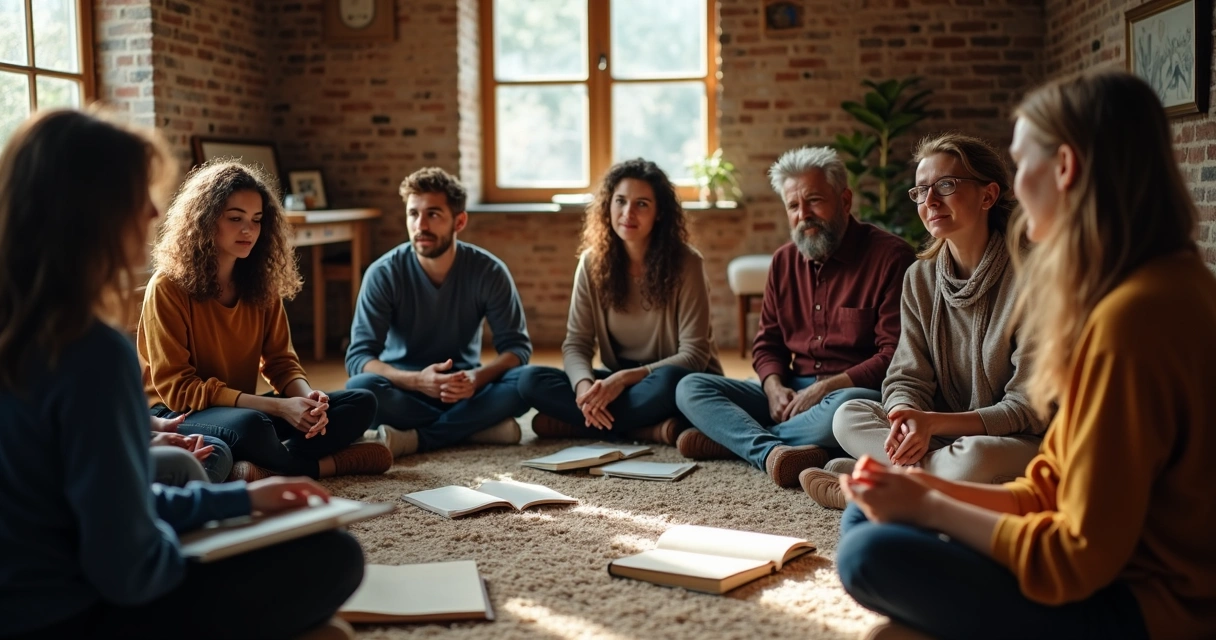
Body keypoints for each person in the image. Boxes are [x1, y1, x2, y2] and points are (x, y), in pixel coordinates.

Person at [834, 70, 1216, 640]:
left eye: (1020, 162)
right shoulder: (1155, 283)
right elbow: (1049, 486)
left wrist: (931, 508)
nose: (1014, 184)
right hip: (1096, 556)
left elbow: (1075, 556)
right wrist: (925, 489)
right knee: (866, 514)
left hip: (1150, 606)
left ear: (1064, 168)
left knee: (867, 555)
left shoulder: (1131, 319)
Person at [0, 108, 363, 640]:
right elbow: (129, 568)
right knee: (335, 556)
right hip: (67, 615)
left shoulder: (30, 329)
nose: (151, 208)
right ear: (87, 211)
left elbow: (101, 504)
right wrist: (212, 549)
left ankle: (273, 469)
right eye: (136, 193)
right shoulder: (91, 351)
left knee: (355, 401)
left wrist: (240, 500)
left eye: (255, 219)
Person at [802, 133, 1046, 510]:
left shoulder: (1032, 278)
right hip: (936, 438)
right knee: (847, 415)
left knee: (975, 459)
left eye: (946, 185)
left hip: (1013, 439)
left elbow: (1029, 408)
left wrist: (933, 423)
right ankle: (913, 482)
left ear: (988, 195)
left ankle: (877, 481)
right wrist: (904, 417)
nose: (930, 201)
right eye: (920, 191)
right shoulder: (920, 277)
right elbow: (905, 377)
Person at [675, 147, 915, 487]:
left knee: (845, 408)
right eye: (793, 206)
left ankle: (736, 439)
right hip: (793, 392)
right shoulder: (783, 262)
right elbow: (767, 343)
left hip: (850, 393)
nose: (804, 214)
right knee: (690, 386)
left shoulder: (891, 258)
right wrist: (773, 387)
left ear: (844, 200)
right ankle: (774, 451)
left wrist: (825, 389)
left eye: (814, 200)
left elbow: (893, 356)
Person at [139, 161, 389, 482]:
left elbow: (281, 362)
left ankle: (263, 466)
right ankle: (321, 466)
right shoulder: (167, 287)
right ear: (204, 220)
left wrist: (307, 400)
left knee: (360, 402)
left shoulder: (260, 283)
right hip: (177, 413)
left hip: (239, 408)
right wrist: (279, 408)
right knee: (254, 426)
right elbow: (178, 389)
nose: (249, 230)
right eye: (235, 218)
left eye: (257, 220)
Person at [517, 159, 722, 444]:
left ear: (659, 213)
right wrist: (585, 391)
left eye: (642, 204)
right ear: (608, 205)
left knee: (672, 382)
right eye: (620, 201)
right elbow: (577, 343)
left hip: (670, 381)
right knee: (529, 380)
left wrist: (623, 379)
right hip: (622, 387)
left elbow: (694, 357)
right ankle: (646, 430)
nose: (628, 213)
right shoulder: (592, 262)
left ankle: (584, 426)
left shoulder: (687, 262)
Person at [345, 167, 532, 457]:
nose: (420, 225)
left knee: (526, 383)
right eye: (413, 214)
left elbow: (517, 349)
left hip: (466, 390)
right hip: (404, 390)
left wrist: (477, 378)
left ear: (459, 221)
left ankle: (422, 437)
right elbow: (359, 358)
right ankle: (477, 429)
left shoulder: (489, 271)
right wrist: (418, 380)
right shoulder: (383, 273)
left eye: (433, 214)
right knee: (361, 388)